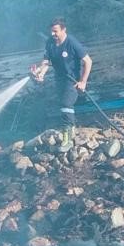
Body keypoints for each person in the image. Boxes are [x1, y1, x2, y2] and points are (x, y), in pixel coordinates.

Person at [30, 18, 92, 152]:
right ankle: (71, 128)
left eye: (55, 31)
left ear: (64, 30)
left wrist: (83, 81)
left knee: (66, 104)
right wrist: (40, 73)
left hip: (72, 80)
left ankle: (68, 139)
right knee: (62, 105)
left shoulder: (72, 43)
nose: (53, 34)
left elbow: (88, 61)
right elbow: (46, 62)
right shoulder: (50, 42)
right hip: (59, 79)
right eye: (51, 31)